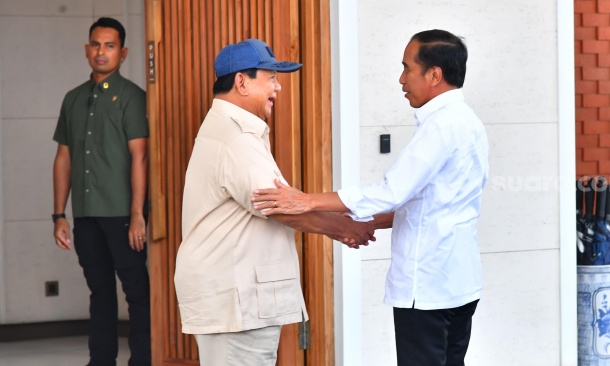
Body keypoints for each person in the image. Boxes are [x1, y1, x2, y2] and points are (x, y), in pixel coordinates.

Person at [251, 29, 489, 366]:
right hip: (459, 281)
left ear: (434, 75)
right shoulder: (469, 123)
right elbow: (434, 201)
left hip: (428, 286)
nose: (401, 78)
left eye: (408, 68)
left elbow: (391, 192)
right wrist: (362, 223)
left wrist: (307, 200)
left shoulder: (441, 126)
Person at [173, 38, 375, 366]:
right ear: (241, 81)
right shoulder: (236, 136)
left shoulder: (232, 130)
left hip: (236, 297)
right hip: (236, 298)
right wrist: (343, 227)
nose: (278, 88)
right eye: (271, 78)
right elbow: (280, 206)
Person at [52, 17, 150, 366]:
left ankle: (143, 360)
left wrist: (138, 214)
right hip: (87, 214)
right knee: (100, 293)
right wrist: (59, 214)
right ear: (86, 50)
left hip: (124, 214)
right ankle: (101, 360)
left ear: (123, 53)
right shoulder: (73, 99)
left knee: (137, 293)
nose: (101, 52)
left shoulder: (132, 98)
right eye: (95, 45)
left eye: (109, 46)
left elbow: (140, 157)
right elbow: (63, 158)